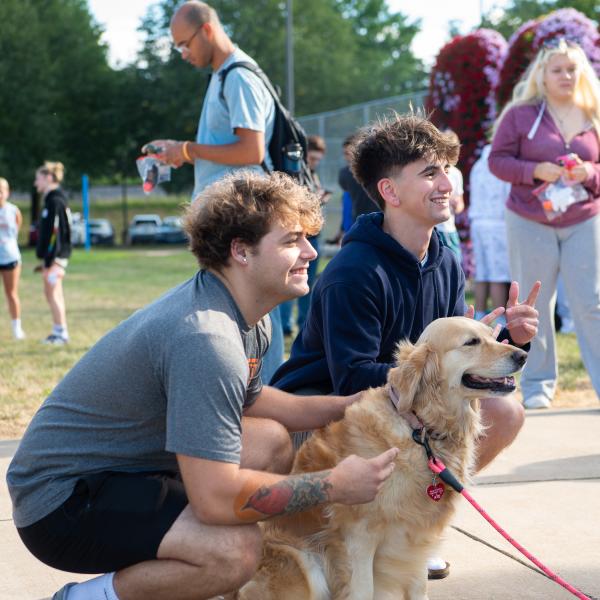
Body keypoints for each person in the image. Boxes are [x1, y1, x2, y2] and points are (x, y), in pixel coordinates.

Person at [7, 172, 400, 600]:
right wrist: (333, 485)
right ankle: (89, 597)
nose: (310, 251)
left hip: (120, 471)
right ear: (241, 251)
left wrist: (354, 403)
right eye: (291, 241)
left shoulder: (244, 310)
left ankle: (186, 565)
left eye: (307, 237)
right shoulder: (207, 339)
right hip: (61, 504)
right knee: (233, 552)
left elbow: (254, 399)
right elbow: (214, 499)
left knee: (269, 439)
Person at [144, 0, 284, 382]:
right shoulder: (223, 77)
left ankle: (265, 401)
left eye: (183, 43)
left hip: (245, 219)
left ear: (206, 30)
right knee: (239, 313)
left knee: (252, 314)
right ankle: (252, 396)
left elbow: (250, 150)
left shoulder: (238, 76)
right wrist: (182, 154)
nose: (182, 53)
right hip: (233, 219)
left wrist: (187, 150)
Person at [489, 38, 600, 409]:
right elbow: (497, 161)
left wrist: (590, 172)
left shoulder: (594, 112)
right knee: (534, 305)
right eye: (558, 70)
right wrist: (534, 169)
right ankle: (537, 386)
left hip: (585, 218)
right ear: (543, 75)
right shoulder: (520, 115)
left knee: (592, 303)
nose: (566, 75)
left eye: (572, 68)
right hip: (528, 219)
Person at [280, 135, 330, 336]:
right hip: (296, 236)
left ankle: (305, 325)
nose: (314, 163)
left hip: (312, 235)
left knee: (306, 282)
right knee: (286, 281)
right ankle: (285, 324)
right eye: (312, 158)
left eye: (318, 159)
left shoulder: (313, 175)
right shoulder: (293, 174)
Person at [469, 143, 511, 323]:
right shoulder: (500, 166)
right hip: (497, 222)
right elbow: (509, 195)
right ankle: (500, 316)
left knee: (482, 271)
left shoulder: (478, 166)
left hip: (478, 222)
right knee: (498, 274)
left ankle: (479, 312)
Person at [34, 161, 71, 346]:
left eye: (38, 178)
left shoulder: (55, 201)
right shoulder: (52, 200)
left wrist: (50, 260)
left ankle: (61, 334)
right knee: (50, 293)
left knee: (54, 294)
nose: (36, 183)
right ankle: (58, 330)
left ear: (49, 177)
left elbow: (55, 234)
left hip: (56, 258)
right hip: (53, 258)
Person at [0, 177, 25, 340]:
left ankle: (17, 328)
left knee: (11, 293)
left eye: (1, 190)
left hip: (10, 257)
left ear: (7, 192)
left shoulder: (13, 210)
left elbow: (17, 229)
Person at [435, 130, 464, 262]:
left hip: (449, 227)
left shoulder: (456, 173)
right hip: (436, 227)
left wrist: (456, 204)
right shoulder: (432, 170)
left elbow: (460, 205)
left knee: (455, 264)